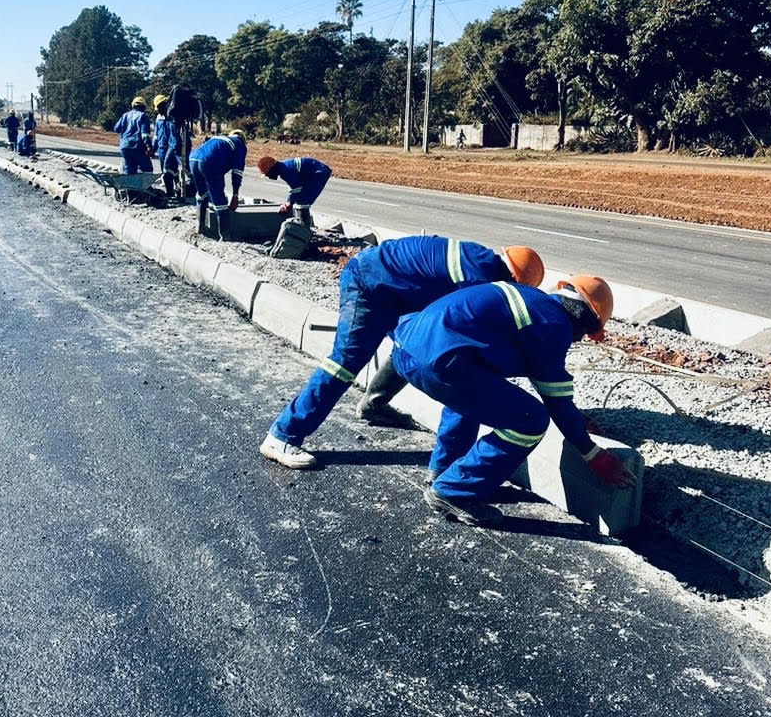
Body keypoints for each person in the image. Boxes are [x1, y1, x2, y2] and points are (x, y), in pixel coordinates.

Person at [259, 238, 544, 468]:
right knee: (344, 364)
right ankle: (282, 435)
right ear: (514, 280)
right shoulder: (480, 277)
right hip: (369, 284)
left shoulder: (480, 262)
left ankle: (375, 405)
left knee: (417, 347)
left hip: (397, 289)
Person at [390, 273, 634, 523]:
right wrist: (593, 454)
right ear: (585, 318)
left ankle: (443, 470)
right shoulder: (554, 324)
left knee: (470, 397)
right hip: (439, 364)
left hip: (408, 349)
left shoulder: (534, 302)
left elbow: (549, 387)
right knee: (531, 420)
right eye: (587, 333)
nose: (579, 340)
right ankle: (454, 492)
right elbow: (555, 401)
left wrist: (573, 416)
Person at [189, 130, 247, 239]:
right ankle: (225, 236)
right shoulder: (239, 145)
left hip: (193, 158)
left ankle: (200, 228)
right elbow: (237, 172)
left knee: (202, 194)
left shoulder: (220, 139)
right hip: (209, 161)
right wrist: (235, 195)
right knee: (219, 200)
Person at [257, 155, 332, 222]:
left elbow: (296, 189)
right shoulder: (284, 167)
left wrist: (288, 204)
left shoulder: (286, 170)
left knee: (303, 201)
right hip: (315, 172)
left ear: (272, 169)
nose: (268, 176)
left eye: (267, 173)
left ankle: (304, 228)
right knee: (300, 199)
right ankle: (302, 223)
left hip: (319, 173)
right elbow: (294, 188)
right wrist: (289, 202)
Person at [113, 97, 153, 174]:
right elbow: (144, 134)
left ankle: (130, 185)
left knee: (129, 169)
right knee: (147, 169)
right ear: (144, 107)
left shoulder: (125, 116)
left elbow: (116, 129)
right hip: (138, 147)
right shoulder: (143, 116)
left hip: (125, 147)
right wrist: (149, 147)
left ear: (133, 106)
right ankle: (145, 185)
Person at [153, 93, 182, 198]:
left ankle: (178, 190)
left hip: (171, 147)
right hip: (162, 148)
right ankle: (169, 191)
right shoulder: (158, 118)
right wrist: (153, 148)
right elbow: (156, 135)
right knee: (165, 172)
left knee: (173, 171)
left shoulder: (172, 116)